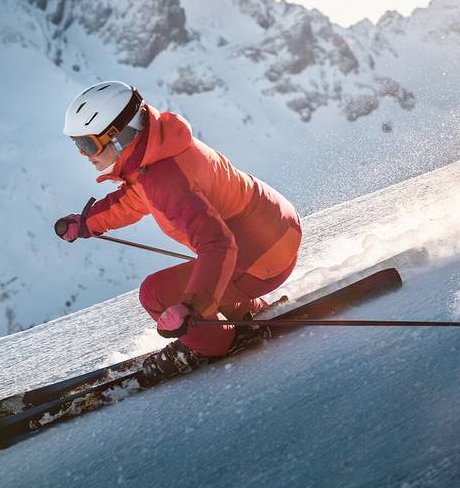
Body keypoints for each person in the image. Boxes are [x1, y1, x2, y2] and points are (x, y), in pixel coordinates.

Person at [55, 81, 303, 376]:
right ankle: (245, 311)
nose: (84, 155)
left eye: (88, 145)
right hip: (274, 229)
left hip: (263, 254)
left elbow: (217, 244)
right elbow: (134, 199)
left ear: (119, 136)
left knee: (156, 293)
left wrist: (192, 309)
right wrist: (88, 222)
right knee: (201, 273)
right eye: (77, 145)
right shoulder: (154, 153)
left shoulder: (164, 177)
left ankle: (213, 343)